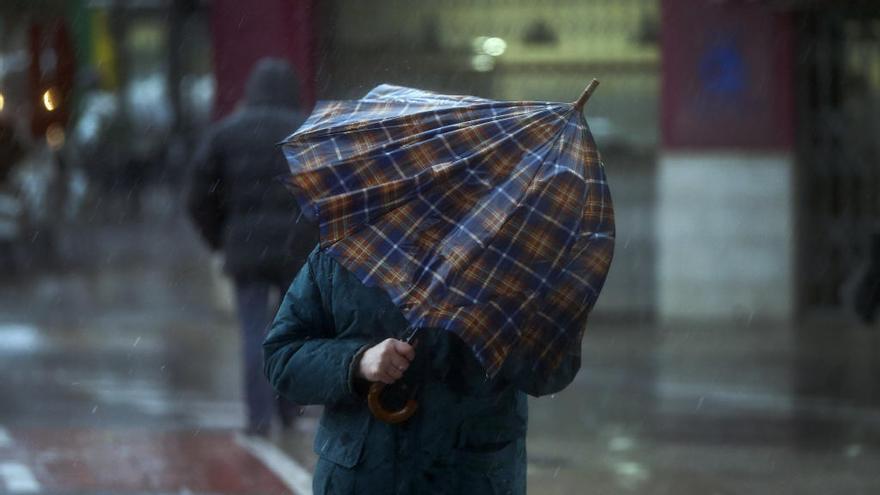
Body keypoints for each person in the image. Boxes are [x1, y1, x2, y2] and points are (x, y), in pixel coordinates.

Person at [263, 247, 581, 494]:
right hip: (363, 478)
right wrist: (357, 362)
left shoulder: (518, 259)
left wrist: (507, 329)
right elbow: (283, 356)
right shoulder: (344, 250)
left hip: (474, 476)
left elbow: (554, 371)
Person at [186, 58, 317, 436]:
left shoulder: (225, 134)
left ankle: (258, 417)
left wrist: (220, 238)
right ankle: (289, 407)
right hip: (298, 251)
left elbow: (197, 198)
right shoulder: (307, 132)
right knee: (294, 330)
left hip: (245, 248)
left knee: (253, 331)